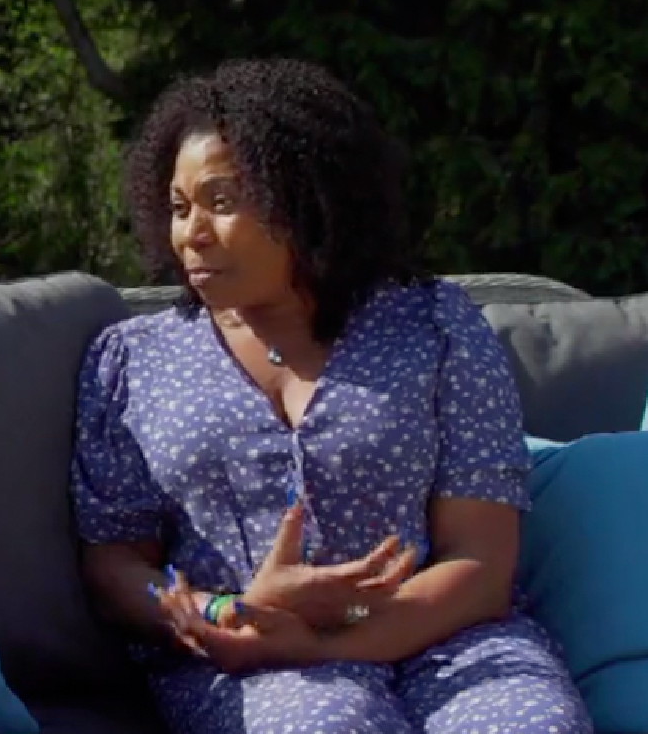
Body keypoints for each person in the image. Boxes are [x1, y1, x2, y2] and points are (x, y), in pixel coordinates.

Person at [69, 58, 593, 733]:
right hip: (243, 663)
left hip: (449, 641)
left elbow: (480, 562)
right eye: (179, 207)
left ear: (307, 199)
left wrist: (330, 636)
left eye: (223, 202)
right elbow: (114, 562)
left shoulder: (435, 328)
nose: (191, 234)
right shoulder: (131, 362)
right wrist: (226, 613)